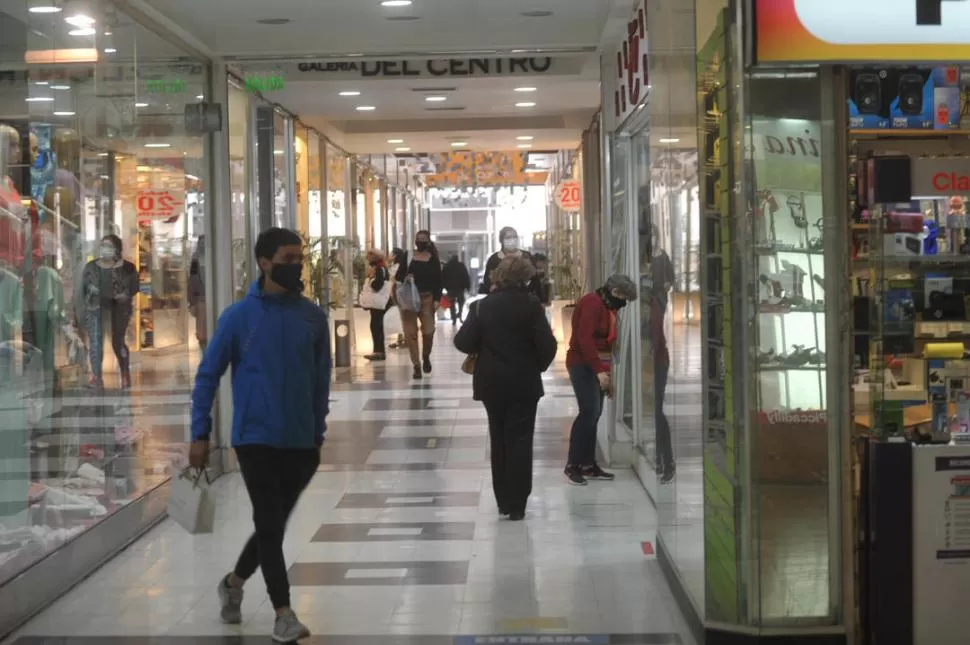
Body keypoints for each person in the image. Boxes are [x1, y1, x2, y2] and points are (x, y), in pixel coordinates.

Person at [188, 227, 330, 644]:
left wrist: (318, 430)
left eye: (299, 258)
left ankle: (233, 583)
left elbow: (321, 382)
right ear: (264, 263)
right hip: (254, 439)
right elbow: (207, 377)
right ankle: (283, 613)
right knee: (269, 520)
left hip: (303, 442)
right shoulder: (238, 318)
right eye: (287, 259)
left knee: (272, 525)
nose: (296, 266)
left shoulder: (312, 317)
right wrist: (200, 432)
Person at [455, 255, 557, 520]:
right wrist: (537, 365)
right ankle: (518, 502)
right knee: (521, 439)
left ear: (498, 276)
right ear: (525, 278)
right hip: (524, 382)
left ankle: (502, 499)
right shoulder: (532, 306)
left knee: (499, 438)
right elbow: (547, 345)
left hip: (491, 383)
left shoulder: (481, 307)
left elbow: (462, 342)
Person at [563, 274, 638, 486]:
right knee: (588, 412)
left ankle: (588, 464)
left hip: (597, 366)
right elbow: (583, 339)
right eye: (623, 297)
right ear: (615, 292)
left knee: (594, 414)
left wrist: (608, 375)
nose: (623, 303)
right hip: (582, 364)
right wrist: (598, 371)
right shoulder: (592, 303)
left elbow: (607, 345)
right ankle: (573, 465)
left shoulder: (607, 307)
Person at [79, 234, 139, 390]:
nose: (105, 248)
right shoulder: (91, 266)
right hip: (96, 308)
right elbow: (84, 288)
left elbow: (134, 286)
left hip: (119, 308)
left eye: (109, 245)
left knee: (117, 341)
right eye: (103, 245)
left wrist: (124, 295)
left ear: (117, 249)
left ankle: (125, 373)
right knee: (95, 342)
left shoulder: (128, 267)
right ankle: (96, 376)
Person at [401, 230, 441, 379]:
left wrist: (437, 299)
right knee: (410, 333)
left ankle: (426, 356)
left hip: (427, 298)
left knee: (429, 331)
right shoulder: (408, 256)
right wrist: (406, 276)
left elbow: (438, 280)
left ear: (428, 241)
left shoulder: (433, 259)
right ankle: (416, 365)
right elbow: (398, 275)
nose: (420, 241)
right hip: (409, 299)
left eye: (423, 239)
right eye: (418, 239)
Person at [481, 226, 531, 294]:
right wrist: (493, 287)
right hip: (499, 296)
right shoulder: (494, 259)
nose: (512, 240)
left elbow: (533, 277)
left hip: (524, 295)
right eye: (508, 237)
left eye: (515, 237)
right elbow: (487, 279)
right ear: (501, 240)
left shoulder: (526, 256)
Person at [362, 249, 392, 361]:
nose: (367, 258)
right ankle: (378, 351)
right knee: (377, 326)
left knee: (376, 326)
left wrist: (370, 279)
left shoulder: (379, 269)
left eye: (369, 256)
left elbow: (377, 285)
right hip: (380, 303)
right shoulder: (382, 267)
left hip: (379, 304)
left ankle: (379, 352)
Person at [442, 254, 471, 324]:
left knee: (452, 303)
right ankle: (460, 315)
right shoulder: (461, 266)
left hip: (450, 288)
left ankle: (454, 317)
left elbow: (443, 277)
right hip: (460, 288)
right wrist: (467, 287)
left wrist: (444, 286)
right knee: (461, 302)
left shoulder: (447, 266)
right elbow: (466, 276)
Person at [187, 258, 207, 351]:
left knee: (200, 325)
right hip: (204, 302)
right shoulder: (202, 277)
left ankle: (202, 341)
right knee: (204, 324)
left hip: (198, 303)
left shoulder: (192, 278)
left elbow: (190, 293)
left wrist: (190, 304)